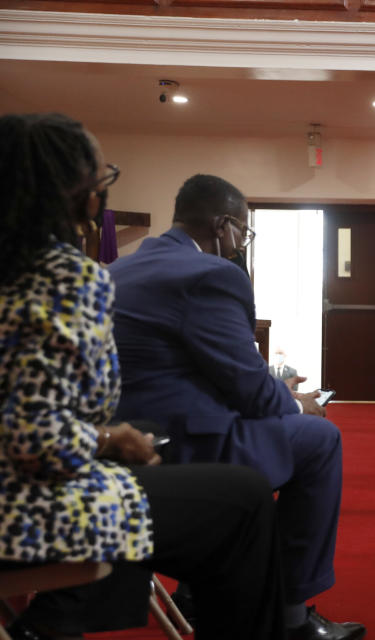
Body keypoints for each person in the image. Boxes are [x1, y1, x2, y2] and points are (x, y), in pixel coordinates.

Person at [0, 112, 287, 639]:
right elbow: (37, 440)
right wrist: (111, 437)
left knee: (145, 486)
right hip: (19, 512)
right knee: (243, 501)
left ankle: (58, 618)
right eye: (101, 178)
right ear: (77, 193)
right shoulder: (63, 274)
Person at [108, 175, 364, 640]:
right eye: (243, 231)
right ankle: (293, 617)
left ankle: (200, 582)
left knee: (271, 416)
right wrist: (297, 403)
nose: (241, 243)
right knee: (319, 439)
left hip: (120, 437)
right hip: (180, 444)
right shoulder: (210, 274)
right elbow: (247, 386)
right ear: (223, 225)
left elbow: (189, 365)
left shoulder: (119, 268)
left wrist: (274, 388)